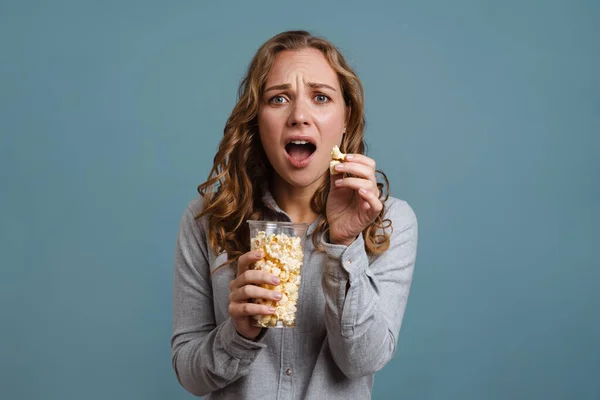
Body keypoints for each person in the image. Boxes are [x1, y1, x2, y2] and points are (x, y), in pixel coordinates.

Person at [171, 30, 418, 399]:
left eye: (320, 97)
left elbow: (362, 361)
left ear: (346, 117)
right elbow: (190, 374)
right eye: (279, 99)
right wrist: (238, 332)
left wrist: (343, 245)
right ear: (256, 118)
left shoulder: (388, 221)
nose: (299, 116)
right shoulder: (207, 220)